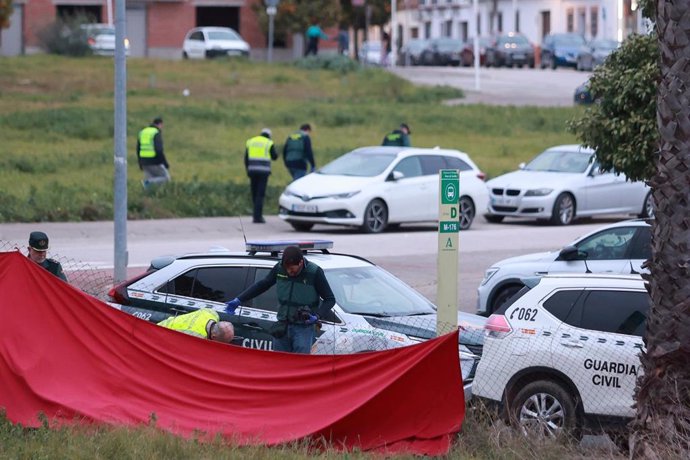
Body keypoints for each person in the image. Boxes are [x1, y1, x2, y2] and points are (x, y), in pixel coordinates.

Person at [224, 246, 335, 354]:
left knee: (299, 366)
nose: (289, 272)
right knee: (280, 364)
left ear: (301, 263)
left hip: (303, 328)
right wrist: (239, 299)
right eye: (286, 269)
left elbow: (330, 299)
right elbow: (263, 285)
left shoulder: (315, 272)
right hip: (282, 326)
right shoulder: (280, 268)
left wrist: (317, 316)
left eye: (292, 269)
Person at [245, 128, 278, 224]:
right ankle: (258, 217)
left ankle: (255, 214)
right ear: (269, 135)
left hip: (252, 171)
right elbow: (274, 156)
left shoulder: (251, 141)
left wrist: (248, 170)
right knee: (260, 194)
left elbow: (246, 158)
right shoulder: (268, 142)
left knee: (254, 193)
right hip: (263, 172)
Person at [158, 308, 235, 343]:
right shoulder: (197, 337)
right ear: (214, 337)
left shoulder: (212, 313)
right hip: (160, 333)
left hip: (166, 323)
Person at [137, 117, 170, 189]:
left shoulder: (143, 132)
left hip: (144, 161)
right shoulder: (156, 133)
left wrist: (140, 163)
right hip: (154, 161)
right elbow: (159, 150)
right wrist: (164, 163)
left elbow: (138, 149)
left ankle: (149, 196)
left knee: (151, 183)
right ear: (160, 124)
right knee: (165, 178)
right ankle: (148, 182)